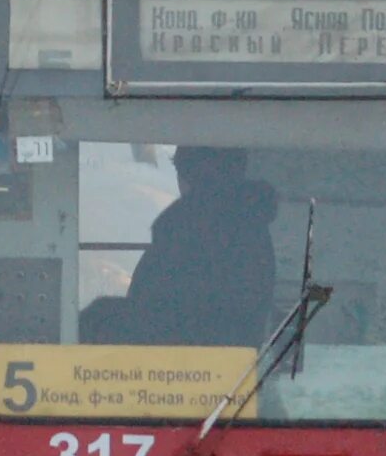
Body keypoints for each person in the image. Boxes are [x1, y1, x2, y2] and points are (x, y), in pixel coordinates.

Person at [82, 146, 278, 348]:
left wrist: (99, 321)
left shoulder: (189, 229)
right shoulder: (251, 227)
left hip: (183, 369)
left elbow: (164, 317)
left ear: (186, 177)